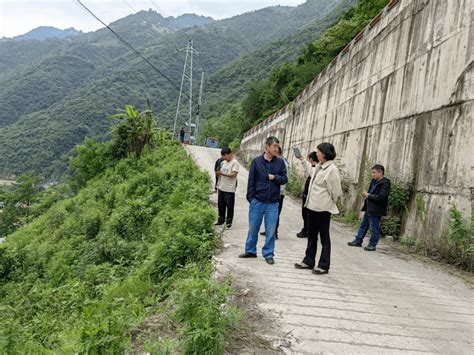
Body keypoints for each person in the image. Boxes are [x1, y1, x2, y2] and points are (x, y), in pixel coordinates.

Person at [294, 143, 342, 275]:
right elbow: (310, 170)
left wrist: (327, 202)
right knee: (312, 235)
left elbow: (336, 192)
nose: (317, 154)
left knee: (324, 237)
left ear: (325, 153)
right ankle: (308, 261)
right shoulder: (320, 167)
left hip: (323, 209)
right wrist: (302, 159)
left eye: (319, 151)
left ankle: (324, 265)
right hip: (312, 207)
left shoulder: (332, 169)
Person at [239, 136, 288, 265]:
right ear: (266, 147)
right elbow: (251, 181)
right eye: (274, 146)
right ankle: (250, 250)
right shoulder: (256, 162)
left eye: (278, 146)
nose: (277, 148)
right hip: (257, 201)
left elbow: (284, 179)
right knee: (253, 227)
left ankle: (268, 253)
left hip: (273, 202)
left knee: (270, 230)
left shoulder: (280, 163)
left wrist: (275, 177)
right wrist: (251, 198)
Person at [348, 164, 391, 251]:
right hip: (369, 207)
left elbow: (382, 197)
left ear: (380, 172)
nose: (372, 174)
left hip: (377, 209)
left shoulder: (385, 183)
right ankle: (358, 240)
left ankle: (372, 244)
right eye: (372, 172)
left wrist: (369, 195)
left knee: (374, 227)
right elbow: (370, 192)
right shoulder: (373, 181)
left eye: (374, 173)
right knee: (363, 225)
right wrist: (366, 196)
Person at [260, 146, 289, 239]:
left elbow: (285, 178)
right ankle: (269, 230)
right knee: (269, 212)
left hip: (279, 192)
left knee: (275, 213)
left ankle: (274, 233)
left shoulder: (282, 162)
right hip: (272, 191)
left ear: (277, 152)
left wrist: (280, 191)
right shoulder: (275, 161)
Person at [215, 148, 239, 228]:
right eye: (223, 156)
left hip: (229, 189)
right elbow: (220, 173)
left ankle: (228, 223)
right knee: (221, 205)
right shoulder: (223, 163)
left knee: (229, 206)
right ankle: (220, 220)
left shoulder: (235, 163)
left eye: (225, 155)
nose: (224, 157)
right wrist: (218, 174)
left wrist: (223, 174)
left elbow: (234, 174)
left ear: (230, 154)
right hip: (221, 187)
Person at [296, 151, 318, 238]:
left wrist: (302, 158)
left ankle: (307, 231)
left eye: (309, 159)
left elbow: (307, 167)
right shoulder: (314, 168)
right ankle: (307, 230)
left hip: (310, 197)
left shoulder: (315, 169)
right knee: (306, 215)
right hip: (307, 196)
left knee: (307, 215)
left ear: (311, 159)